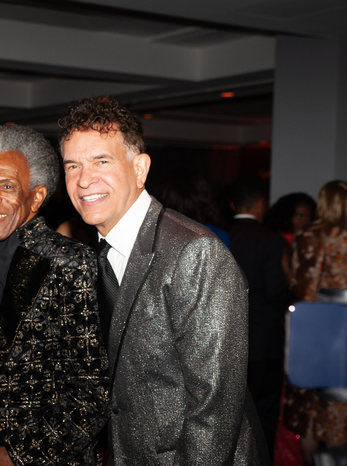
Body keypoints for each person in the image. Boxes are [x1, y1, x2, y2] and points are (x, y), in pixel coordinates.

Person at [58, 96, 267, 464]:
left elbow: (214, 410)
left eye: (101, 161)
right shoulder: (98, 254)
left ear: (140, 169)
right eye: (72, 165)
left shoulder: (194, 253)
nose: (84, 179)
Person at [0, 125, 109, 466]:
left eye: (6, 186)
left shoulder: (70, 262)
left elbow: (92, 390)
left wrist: (17, 456)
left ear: (36, 197)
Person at [227, 177, 294, 460]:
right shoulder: (270, 239)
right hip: (265, 337)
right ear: (259, 205)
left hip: (228, 338)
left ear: (233, 205)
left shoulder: (217, 234)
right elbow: (276, 289)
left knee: (230, 411)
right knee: (265, 411)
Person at [282, 180, 347, 466]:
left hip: (312, 327)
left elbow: (299, 284)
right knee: (338, 410)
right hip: (343, 331)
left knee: (307, 408)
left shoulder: (308, 234)